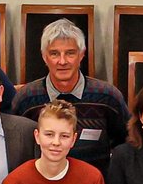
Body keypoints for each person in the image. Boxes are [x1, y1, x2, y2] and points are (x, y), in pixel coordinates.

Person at [9, 18, 131, 167]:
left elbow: (128, 144)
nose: (62, 61)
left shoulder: (108, 97)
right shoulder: (26, 99)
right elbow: (14, 148)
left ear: (81, 55)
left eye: (70, 53)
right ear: (44, 57)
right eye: (54, 54)